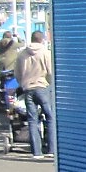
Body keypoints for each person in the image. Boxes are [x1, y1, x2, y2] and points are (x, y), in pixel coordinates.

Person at [14, 30, 53, 159]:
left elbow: (17, 73)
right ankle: (51, 149)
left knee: (32, 120)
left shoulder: (22, 54)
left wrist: (23, 84)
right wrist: (50, 84)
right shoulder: (46, 53)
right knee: (50, 117)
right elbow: (50, 72)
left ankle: (36, 152)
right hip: (42, 87)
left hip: (28, 88)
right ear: (42, 39)